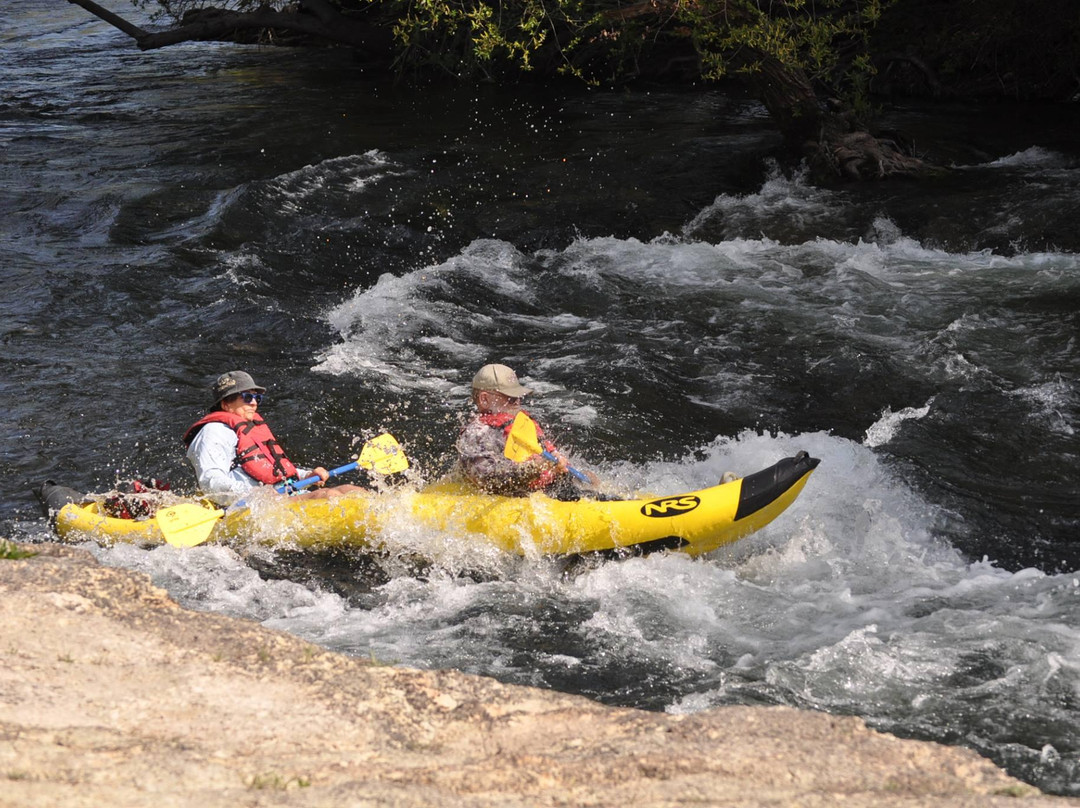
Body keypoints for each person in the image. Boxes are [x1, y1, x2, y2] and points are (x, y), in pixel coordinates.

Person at [183, 370, 367, 505]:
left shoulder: (251, 427)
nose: (254, 403)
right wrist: (258, 494)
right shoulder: (213, 432)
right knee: (328, 497)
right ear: (225, 403)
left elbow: (272, 468)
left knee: (354, 491)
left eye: (257, 398)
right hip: (249, 505)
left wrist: (307, 474)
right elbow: (211, 483)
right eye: (247, 397)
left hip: (282, 494)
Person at [455, 363, 599, 499]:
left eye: (518, 397)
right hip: (510, 499)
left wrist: (561, 464)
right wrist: (535, 469)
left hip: (544, 492)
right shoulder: (476, 434)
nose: (517, 403)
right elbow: (487, 480)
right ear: (484, 399)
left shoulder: (520, 423)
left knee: (592, 487)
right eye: (511, 398)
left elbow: (544, 450)